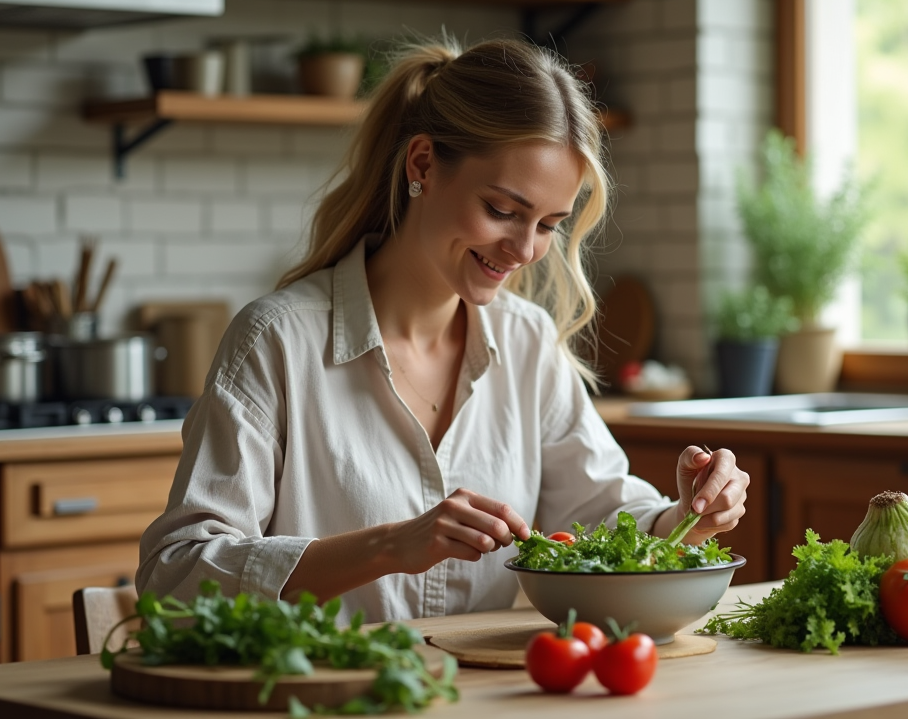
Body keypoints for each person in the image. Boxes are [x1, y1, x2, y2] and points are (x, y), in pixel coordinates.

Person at [137, 35, 750, 623]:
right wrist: (387, 547)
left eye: (549, 224)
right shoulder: (275, 341)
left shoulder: (526, 341)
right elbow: (175, 576)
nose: (525, 249)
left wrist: (687, 515)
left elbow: (601, 511)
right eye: (503, 211)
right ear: (424, 163)